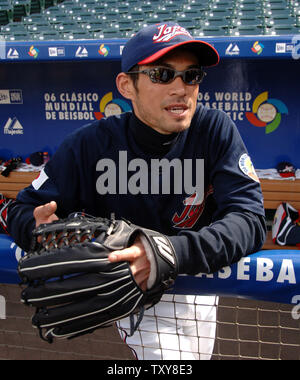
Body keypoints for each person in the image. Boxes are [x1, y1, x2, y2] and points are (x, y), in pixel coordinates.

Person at [7, 22, 266, 360]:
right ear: (126, 86)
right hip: (135, 287)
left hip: (199, 278)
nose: (181, 88)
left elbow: (250, 219)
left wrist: (169, 252)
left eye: (191, 76)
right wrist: (37, 228)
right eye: (162, 74)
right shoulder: (91, 144)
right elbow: (22, 210)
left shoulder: (214, 130)